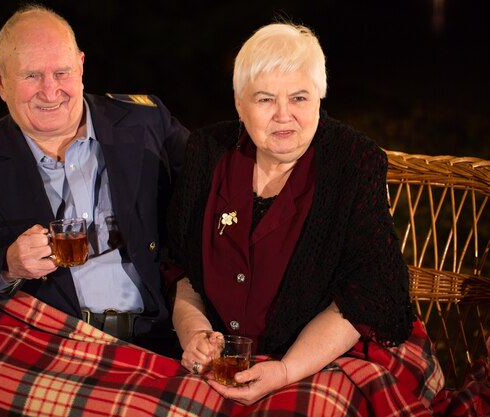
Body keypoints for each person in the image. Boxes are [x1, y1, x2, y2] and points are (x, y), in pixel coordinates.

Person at [166, 23, 446, 415]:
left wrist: (284, 371)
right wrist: (193, 334)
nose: (284, 116)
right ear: (238, 103)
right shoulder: (207, 152)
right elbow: (181, 272)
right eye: (264, 99)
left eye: (299, 97)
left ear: (320, 98)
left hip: (333, 356)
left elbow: (365, 297)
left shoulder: (352, 162)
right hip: (225, 365)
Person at [0, 5, 187, 362]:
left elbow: (218, 186)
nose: (50, 91)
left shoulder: (146, 121)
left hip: (159, 341)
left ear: (81, 66)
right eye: (31, 76)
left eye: (61, 72)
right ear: (0, 80)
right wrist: (8, 264)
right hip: (46, 351)